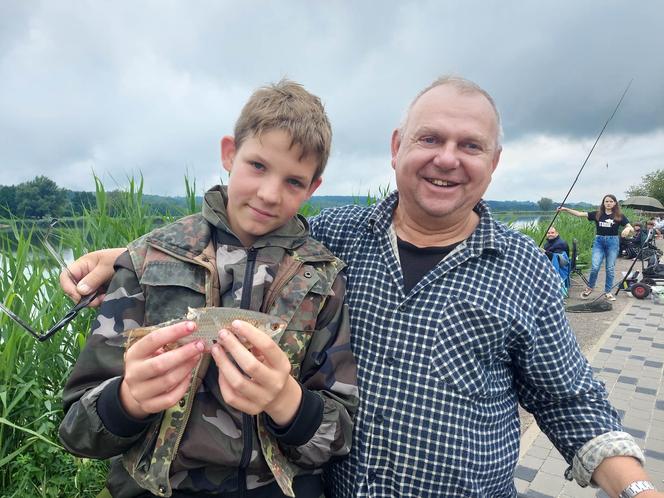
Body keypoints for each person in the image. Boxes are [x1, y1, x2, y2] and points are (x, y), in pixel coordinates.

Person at [60, 77, 663, 497]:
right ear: (398, 148)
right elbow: (244, 240)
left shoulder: (526, 268)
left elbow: (572, 402)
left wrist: (635, 487)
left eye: (470, 145)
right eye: (430, 139)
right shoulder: (337, 238)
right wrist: (131, 258)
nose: (447, 159)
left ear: (494, 163)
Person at [58, 80, 358, 498]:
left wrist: (289, 403)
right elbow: (76, 430)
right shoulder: (147, 259)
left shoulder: (323, 278)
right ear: (229, 154)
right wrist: (128, 400)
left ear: (313, 189)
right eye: (257, 165)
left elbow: (338, 437)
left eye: (294, 182)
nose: (269, 194)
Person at [557, 195, 633, 301]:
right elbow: (579, 214)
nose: (609, 203)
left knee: (610, 269)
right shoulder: (597, 214)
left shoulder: (619, 215)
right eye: (606, 201)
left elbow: (631, 227)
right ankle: (590, 288)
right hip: (599, 242)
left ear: (615, 203)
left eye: (611, 201)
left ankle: (608, 292)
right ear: (603, 203)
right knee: (595, 267)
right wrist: (565, 209)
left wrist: (628, 229)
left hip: (613, 242)